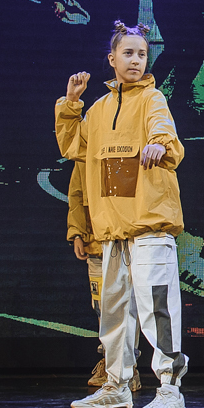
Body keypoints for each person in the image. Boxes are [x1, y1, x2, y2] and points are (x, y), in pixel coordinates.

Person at [56, 21, 190, 408]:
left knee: (157, 308)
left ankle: (170, 390)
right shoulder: (97, 110)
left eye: (142, 54)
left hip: (149, 226)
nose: (136, 60)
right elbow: (73, 147)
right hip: (112, 230)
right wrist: (71, 104)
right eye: (128, 53)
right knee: (113, 314)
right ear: (111, 59)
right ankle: (116, 386)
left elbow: (165, 133)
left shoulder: (152, 98)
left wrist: (159, 144)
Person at [69, 157, 141, 395]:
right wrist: (77, 233)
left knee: (127, 306)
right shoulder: (83, 155)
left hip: (124, 240)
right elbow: (76, 195)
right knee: (102, 307)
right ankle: (109, 362)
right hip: (96, 243)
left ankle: (129, 367)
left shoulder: (122, 148)